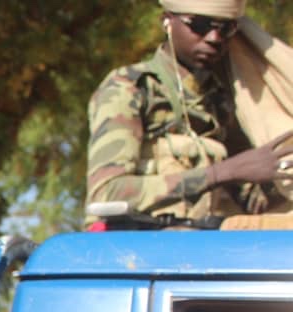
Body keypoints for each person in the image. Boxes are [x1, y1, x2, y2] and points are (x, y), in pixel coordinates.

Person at [86, 0, 293, 223]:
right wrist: (219, 173)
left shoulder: (222, 101)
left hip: (203, 247)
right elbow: (106, 193)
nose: (214, 38)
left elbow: (251, 200)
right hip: (137, 249)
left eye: (225, 29)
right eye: (200, 25)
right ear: (167, 21)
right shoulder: (130, 88)